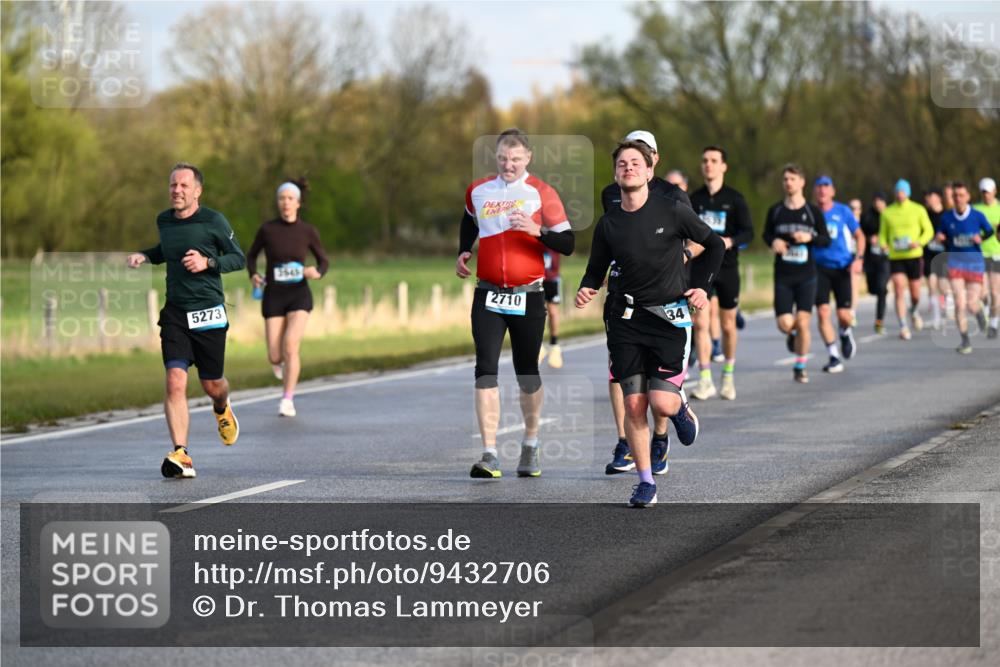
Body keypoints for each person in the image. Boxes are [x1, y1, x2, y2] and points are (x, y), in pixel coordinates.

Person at [577, 140, 724, 507]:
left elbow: (715, 245)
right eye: (622, 164)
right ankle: (645, 482)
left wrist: (701, 289)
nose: (628, 168)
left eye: (635, 163)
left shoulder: (673, 211)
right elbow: (597, 267)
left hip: (669, 317)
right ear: (615, 173)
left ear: (648, 171)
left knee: (661, 402)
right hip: (625, 319)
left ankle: (679, 406)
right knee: (634, 404)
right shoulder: (609, 223)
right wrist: (587, 288)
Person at [457, 129, 575, 479]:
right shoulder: (478, 190)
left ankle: (531, 441)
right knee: (485, 369)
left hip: (529, 295)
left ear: (528, 158)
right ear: (496, 158)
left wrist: (538, 231)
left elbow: (567, 242)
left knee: (527, 374)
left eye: (516, 159)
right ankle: (490, 453)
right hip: (488, 293)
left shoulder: (542, 193)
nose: (509, 165)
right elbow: (468, 219)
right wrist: (465, 249)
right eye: (503, 159)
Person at [126, 163, 245, 478]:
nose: (176, 190)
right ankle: (182, 453)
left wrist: (208, 262)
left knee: (212, 384)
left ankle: (222, 407)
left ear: (197, 191)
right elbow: (168, 250)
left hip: (208, 313)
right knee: (175, 381)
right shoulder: (163, 220)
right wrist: (147, 255)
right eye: (173, 185)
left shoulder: (213, 221)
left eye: (183, 186)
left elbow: (238, 257)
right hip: (176, 313)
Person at [599, 130, 688, 477]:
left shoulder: (673, 196)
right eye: (626, 158)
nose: (632, 164)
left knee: (658, 393)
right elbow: (613, 239)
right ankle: (626, 441)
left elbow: (697, 241)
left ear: (654, 161)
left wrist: (673, 264)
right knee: (619, 375)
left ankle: (661, 435)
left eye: (641, 155)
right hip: (623, 302)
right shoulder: (611, 195)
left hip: (666, 299)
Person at [246, 179, 330, 417]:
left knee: (291, 346)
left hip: (299, 295)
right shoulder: (267, 230)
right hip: (273, 295)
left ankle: (287, 399)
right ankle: (281, 365)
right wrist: (253, 275)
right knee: (275, 355)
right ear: (278, 202)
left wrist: (318, 272)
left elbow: (324, 260)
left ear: (298, 203)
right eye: (282, 198)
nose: (286, 203)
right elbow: (251, 256)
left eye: (290, 199)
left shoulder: (308, 231)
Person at [688, 145, 753, 399]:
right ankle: (705, 378)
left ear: (723, 166)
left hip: (727, 267)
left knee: (727, 325)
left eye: (714, 160)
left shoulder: (735, 199)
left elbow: (748, 232)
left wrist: (730, 241)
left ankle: (727, 374)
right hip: (702, 269)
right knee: (700, 323)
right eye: (705, 160)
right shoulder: (695, 199)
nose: (708, 165)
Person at [762, 164, 831, 383]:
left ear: (802, 182)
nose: (788, 183)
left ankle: (800, 366)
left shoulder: (812, 212)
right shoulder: (776, 211)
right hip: (783, 275)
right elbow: (765, 234)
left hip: (806, 276)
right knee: (785, 324)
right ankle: (792, 335)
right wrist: (774, 241)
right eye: (785, 180)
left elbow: (826, 239)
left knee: (803, 322)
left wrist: (809, 238)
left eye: (792, 179)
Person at [812, 176, 865, 373]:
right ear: (814, 191)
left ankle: (844, 331)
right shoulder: (811, 213)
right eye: (819, 188)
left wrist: (858, 258)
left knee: (844, 315)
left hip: (842, 267)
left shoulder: (843, 211)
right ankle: (833, 355)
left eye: (826, 187)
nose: (822, 191)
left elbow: (859, 236)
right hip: (818, 269)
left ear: (832, 191)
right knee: (823, 312)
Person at [936, 182, 994, 353]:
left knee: (971, 303)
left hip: (974, 263)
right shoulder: (946, 217)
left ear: (968, 197)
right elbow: (941, 234)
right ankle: (965, 340)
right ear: (952, 198)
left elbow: (989, 231)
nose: (959, 199)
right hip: (955, 264)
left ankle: (979, 313)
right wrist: (939, 236)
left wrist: (980, 238)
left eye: (962, 195)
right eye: (956, 196)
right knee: (959, 303)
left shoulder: (977, 215)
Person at [878, 179, 935, 340]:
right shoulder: (887, 212)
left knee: (915, 294)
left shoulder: (918, 209)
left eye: (903, 191)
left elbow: (929, 231)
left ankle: (914, 310)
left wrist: (919, 242)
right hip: (896, 257)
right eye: (898, 191)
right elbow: (882, 234)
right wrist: (883, 245)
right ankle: (903, 325)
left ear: (908, 193)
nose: (900, 194)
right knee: (898, 288)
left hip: (913, 255)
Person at [973, 177, 1000, 338]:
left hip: (997, 254)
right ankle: (984, 310)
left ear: (994, 191)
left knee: (996, 292)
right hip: (979, 254)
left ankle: (994, 323)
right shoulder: (975, 209)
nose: (986, 195)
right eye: (983, 192)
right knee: (981, 293)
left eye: (988, 192)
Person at [922, 187, 951, 331]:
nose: (928, 200)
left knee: (943, 286)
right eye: (927, 197)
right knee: (931, 285)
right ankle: (936, 317)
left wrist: (944, 238)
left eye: (931, 196)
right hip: (928, 254)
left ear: (939, 198)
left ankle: (946, 309)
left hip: (943, 254)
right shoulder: (924, 214)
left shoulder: (946, 215)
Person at [861, 192, 891, 333]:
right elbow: (859, 234)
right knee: (872, 289)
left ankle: (879, 321)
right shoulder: (867, 217)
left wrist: (888, 243)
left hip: (885, 259)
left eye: (881, 201)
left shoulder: (891, 216)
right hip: (870, 258)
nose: (878, 204)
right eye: (876, 201)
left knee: (881, 289)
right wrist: (869, 239)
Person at [537, 250, 564, 369]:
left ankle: (554, 345)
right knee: (537, 311)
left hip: (552, 278)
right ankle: (538, 345)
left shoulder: (555, 231)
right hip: (536, 278)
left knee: (553, 312)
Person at [848, 198, 864, 325]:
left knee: (854, 284)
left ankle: (852, 312)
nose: (854, 210)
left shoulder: (863, 223)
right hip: (845, 255)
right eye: (851, 208)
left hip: (857, 256)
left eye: (856, 208)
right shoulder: (844, 220)